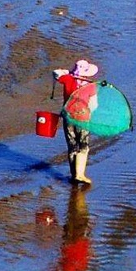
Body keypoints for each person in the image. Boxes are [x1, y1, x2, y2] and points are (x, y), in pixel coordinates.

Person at [51, 58, 101, 186]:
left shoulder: (68, 80)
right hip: (83, 119)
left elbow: (56, 73)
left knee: (72, 145)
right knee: (83, 146)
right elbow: (93, 105)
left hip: (68, 117)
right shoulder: (90, 86)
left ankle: (74, 174)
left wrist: (69, 72)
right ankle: (80, 174)